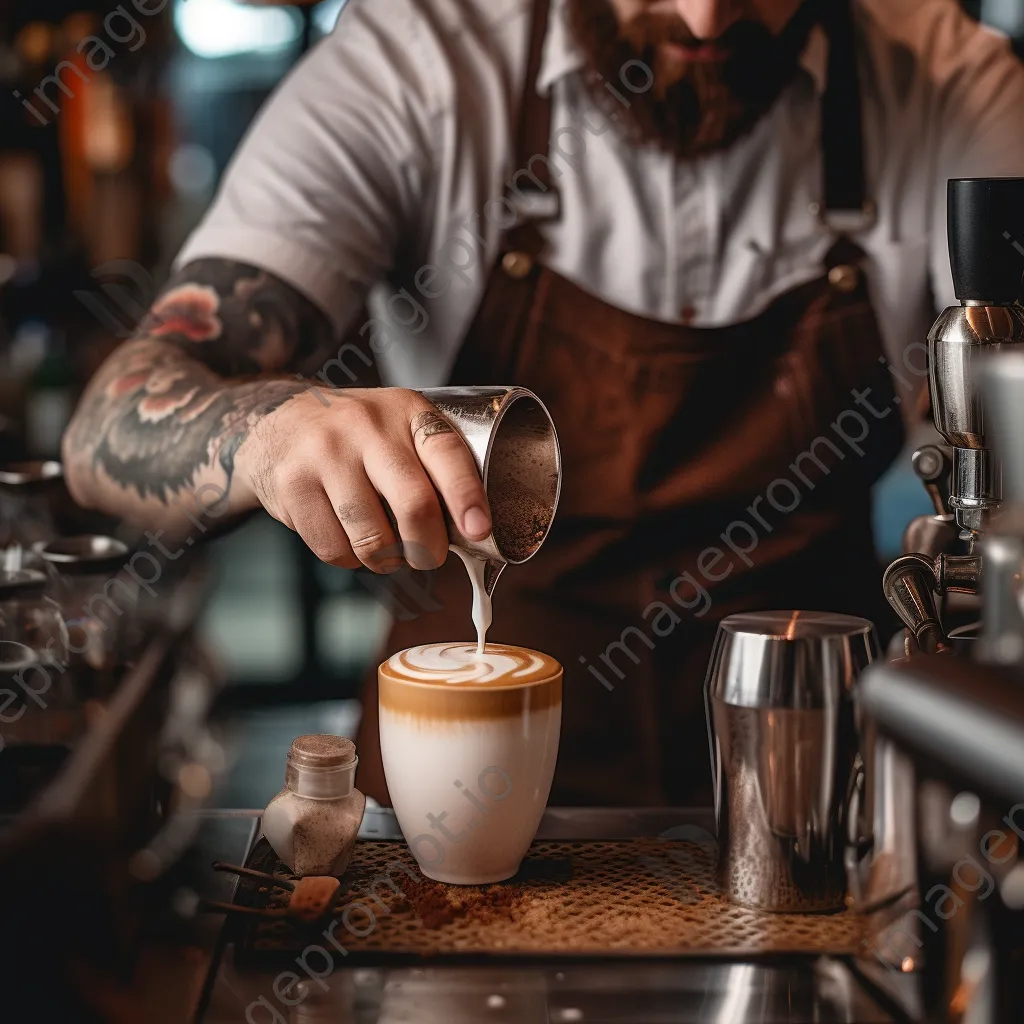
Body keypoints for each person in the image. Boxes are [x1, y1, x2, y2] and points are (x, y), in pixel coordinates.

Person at [62, 0, 1024, 806]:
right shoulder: (421, 60)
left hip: (817, 783)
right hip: (458, 781)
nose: (704, 17)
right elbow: (109, 423)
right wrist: (267, 431)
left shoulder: (945, 78)